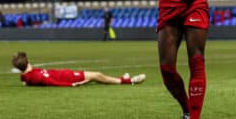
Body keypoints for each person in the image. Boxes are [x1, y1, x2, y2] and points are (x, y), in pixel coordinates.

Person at [11, 52, 146, 87]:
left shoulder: (27, 75)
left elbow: (25, 79)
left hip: (66, 74)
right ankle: (128, 81)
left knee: (98, 76)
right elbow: (52, 82)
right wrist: (72, 84)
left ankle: (122, 79)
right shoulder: (34, 76)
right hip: (68, 78)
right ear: (27, 60)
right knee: (97, 75)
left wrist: (24, 79)